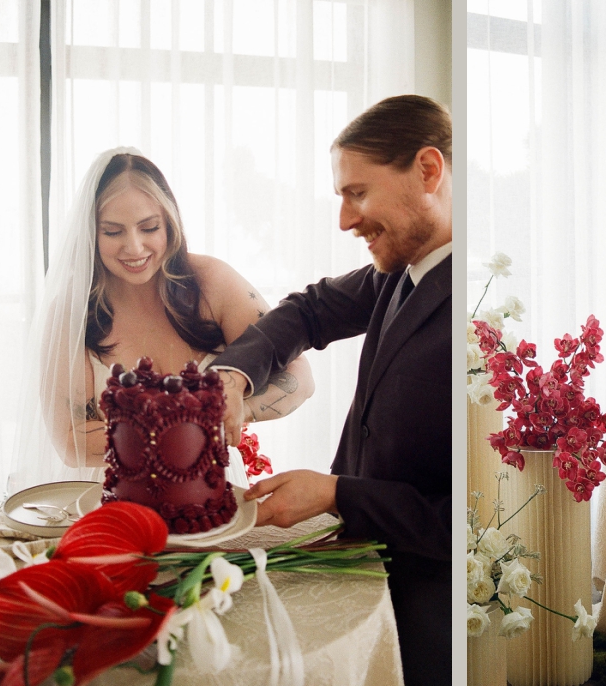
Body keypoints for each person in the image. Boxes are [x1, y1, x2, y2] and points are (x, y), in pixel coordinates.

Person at [210, 94, 452, 685]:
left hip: (431, 608)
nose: (345, 220)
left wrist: (337, 493)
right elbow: (309, 310)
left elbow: (464, 520)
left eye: (357, 193)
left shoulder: (477, 310)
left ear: (427, 170)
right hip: (364, 561)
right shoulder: (401, 271)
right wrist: (233, 374)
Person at [7, 149, 314, 494]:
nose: (134, 247)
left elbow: (299, 376)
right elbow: (69, 441)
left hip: (213, 490)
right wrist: (174, 438)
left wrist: (232, 410)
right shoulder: (71, 313)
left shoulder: (213, 282)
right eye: (113, 232)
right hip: (114, 499)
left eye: (149, 227)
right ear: (91, 234)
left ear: (169, 222)